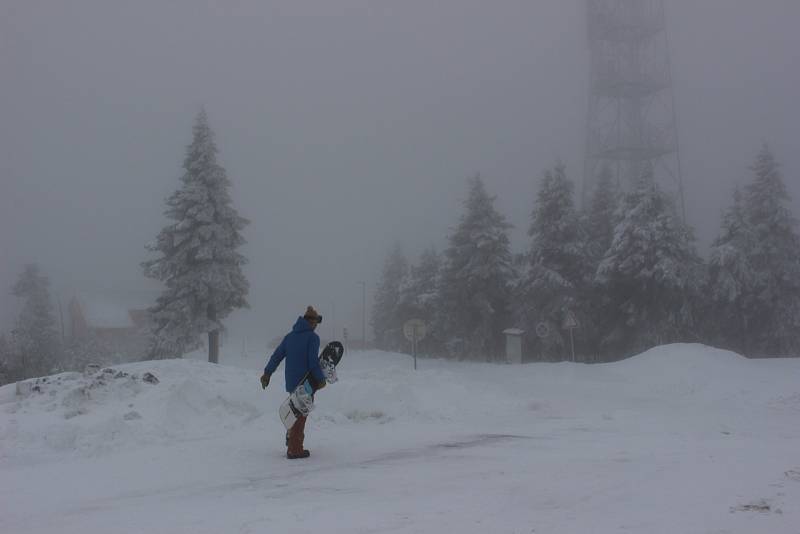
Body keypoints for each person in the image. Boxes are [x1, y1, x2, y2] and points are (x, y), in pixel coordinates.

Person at [261, 306, 326, 459]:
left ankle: (292, 439)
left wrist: (267, 373)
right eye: (316, 322)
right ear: (311, 322)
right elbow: (312, 362)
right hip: (306, 382)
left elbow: (277, 356)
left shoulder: (289, 337)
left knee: (294, 412)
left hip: (291, 382)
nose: (316, 325)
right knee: (301, 415)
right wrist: (320, 379)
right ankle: (295, 449)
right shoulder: (312, 337)